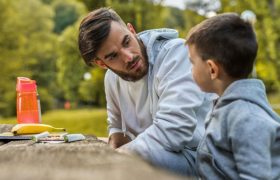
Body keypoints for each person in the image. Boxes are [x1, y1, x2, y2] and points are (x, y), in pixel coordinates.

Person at [78, 7, 213, 176]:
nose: (128, 57)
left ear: (132, 30)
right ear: (102, 63)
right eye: (113, 56)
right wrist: (114, 149)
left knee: (125, 165)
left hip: (202, 160)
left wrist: (118, 156)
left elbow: (174, 130)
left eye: (127, 41)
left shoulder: (176, 54)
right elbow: (117, 130)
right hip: (161, 156)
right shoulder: (111, 79)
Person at [186, 13, 280, 179]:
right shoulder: (225, 107)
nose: (190, 70)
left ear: (212, 69)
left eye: (192, 62)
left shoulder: (247, 118)